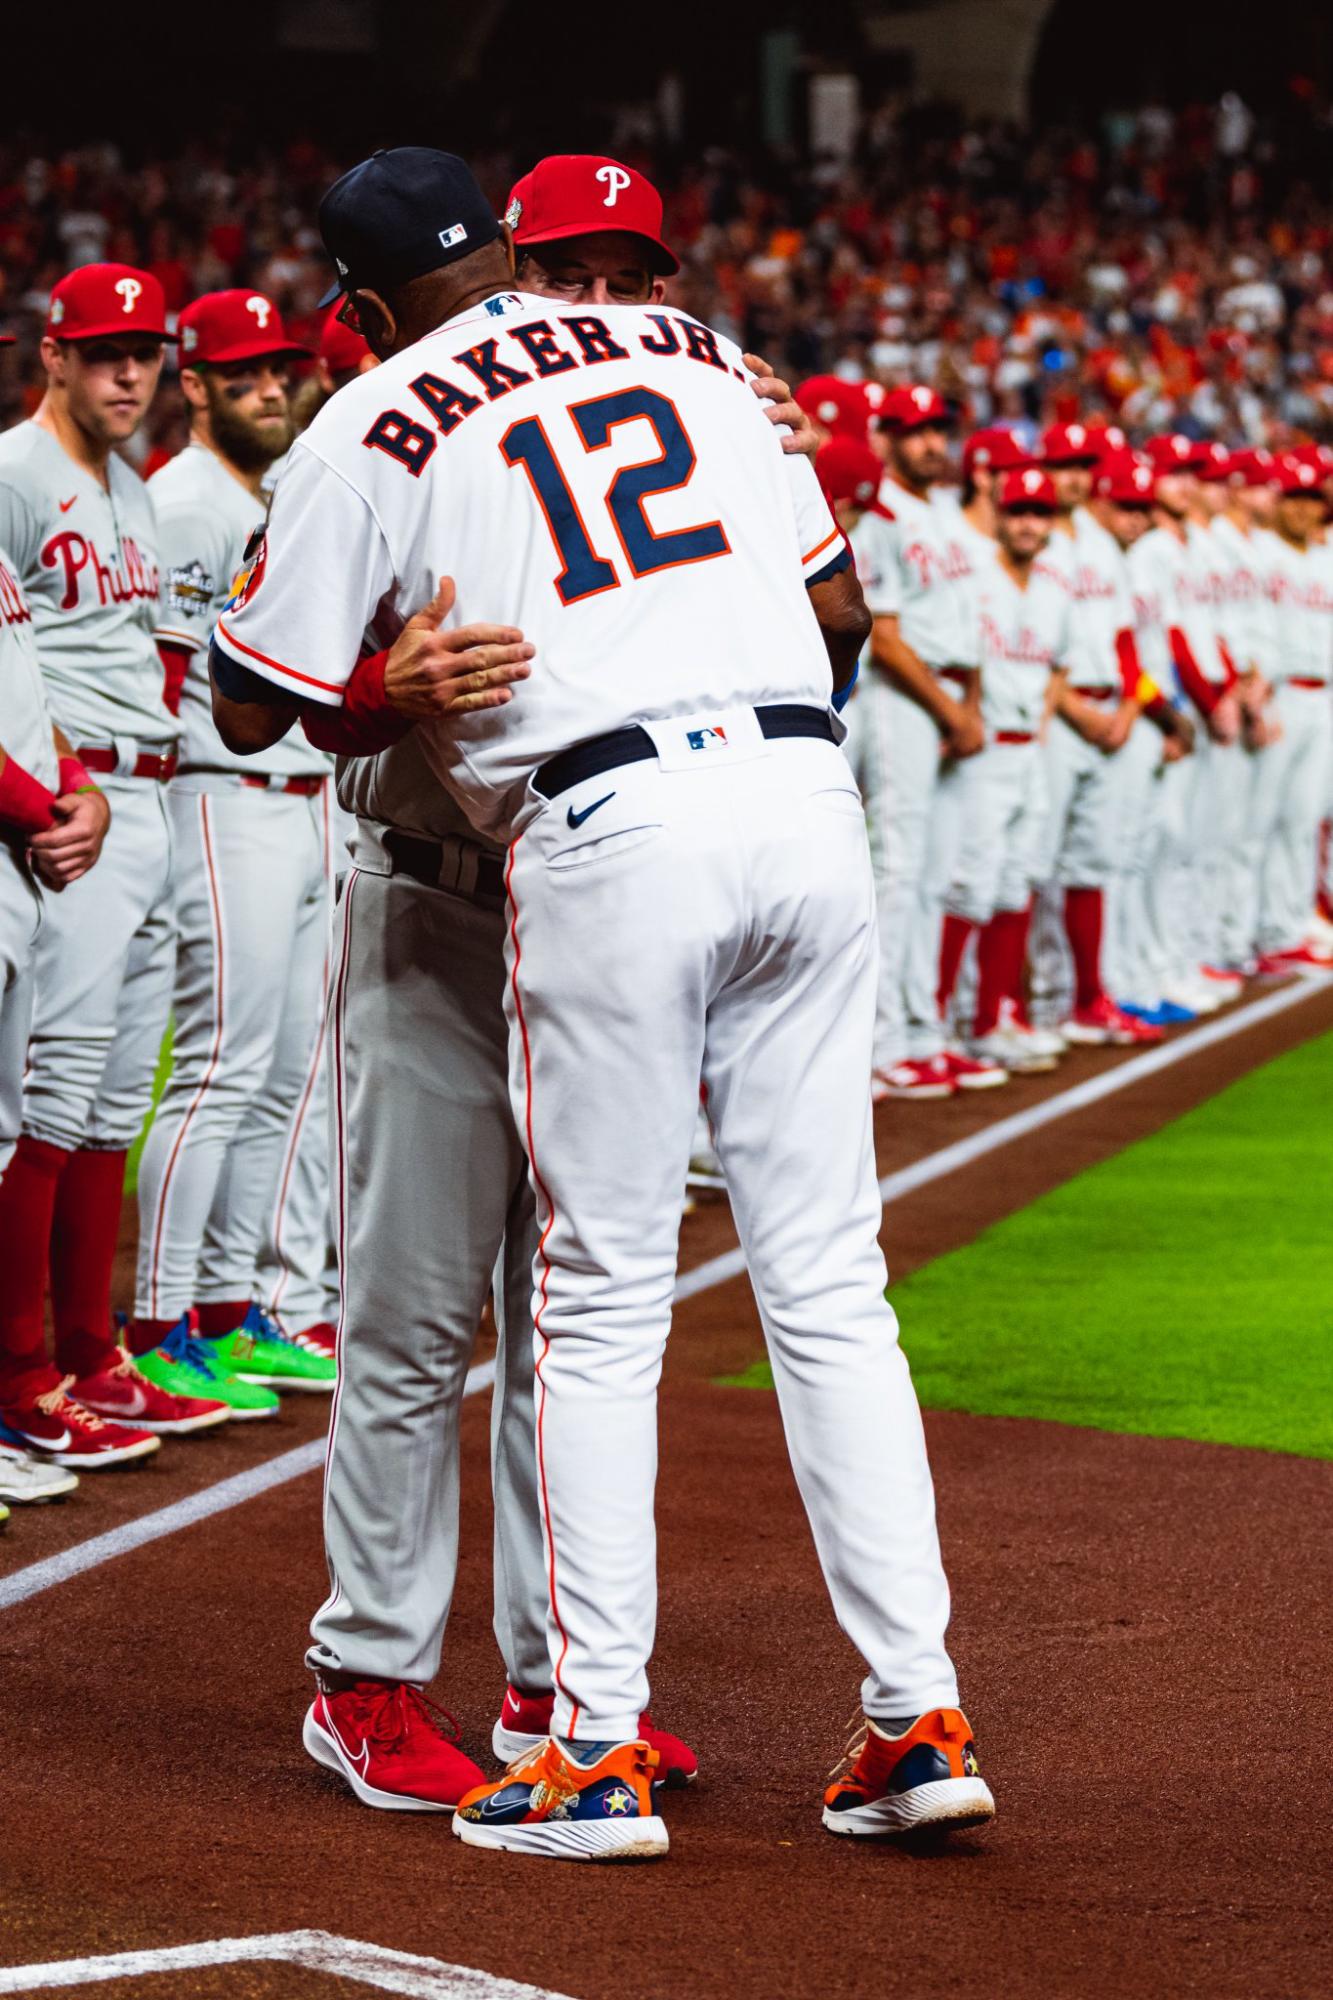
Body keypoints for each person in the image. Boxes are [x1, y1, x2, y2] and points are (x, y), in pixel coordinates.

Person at [209, 146, 994, 1865]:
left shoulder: (418, 405)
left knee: (571, 1306)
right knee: (439, 1314)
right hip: (486, 891)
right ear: (516, 256)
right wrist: (376, 685)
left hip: (591, 861)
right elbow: (274, 701)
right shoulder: (707, 366)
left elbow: (247, 691)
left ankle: (571, 1710)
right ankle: (374, 1677)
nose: (618, 293)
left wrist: (361, 689)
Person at [0, 264, 228, 1468]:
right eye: (103, 352)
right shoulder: (14, 474)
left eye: (146, 351)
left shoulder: (131, 487)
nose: (129, 372)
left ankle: (91, 1351)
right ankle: (23, 1369)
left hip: (146, 794)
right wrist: (38, 800)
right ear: (53, 357)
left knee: (100, 1100)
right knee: (44, 1096)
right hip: (67, 803)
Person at [125, 288, 338, 1413]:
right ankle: (156, 1323)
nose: (272, 387)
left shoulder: (271, 492)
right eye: (246, 372)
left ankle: (228, 1307)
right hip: (219, 799)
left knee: (280, 1075)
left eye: (281, 370)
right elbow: (161, 684)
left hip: (301, 801)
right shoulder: (181, 502)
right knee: (217, 1068)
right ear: (194, 384)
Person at [848, 385, 996, 1100]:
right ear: (890, 438)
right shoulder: (879, 516)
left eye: (940, 429)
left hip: (948, 697)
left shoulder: (939, 513)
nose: (933, 443)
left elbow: (964, 629)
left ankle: (921, 1030)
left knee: (937, 874)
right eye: (917, 432)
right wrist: (948, 710)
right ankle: (879, 1045)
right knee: (898, 872)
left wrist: (967, 707)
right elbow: (884, 633)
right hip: (904, 698)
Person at [1027, 423, 1161, 1048]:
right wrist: (1079, 711)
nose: (1075, 475)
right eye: (1064, 464)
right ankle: (1039, 1000)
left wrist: (1131, 709)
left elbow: (1126, 636)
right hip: (1062, 714)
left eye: (1083, 465)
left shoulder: (1103, 545)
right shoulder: (1035, 539)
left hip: (1112, 712)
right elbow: (1029, 646)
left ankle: (1086, 997)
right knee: (1037, 862)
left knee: (1091, 862)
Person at [938, 467, 1070, 1073]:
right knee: (969, 883)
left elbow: (1058, 666)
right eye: (1019, 511)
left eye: (1039, 514)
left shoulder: (1054, 587)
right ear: (1000, 511)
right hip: (982, 750)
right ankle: (940, 1024)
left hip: (1028, 752)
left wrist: (1043, 721)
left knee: (1015, 883)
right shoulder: (975, 575)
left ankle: (992, 1019)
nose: (1028, 523)